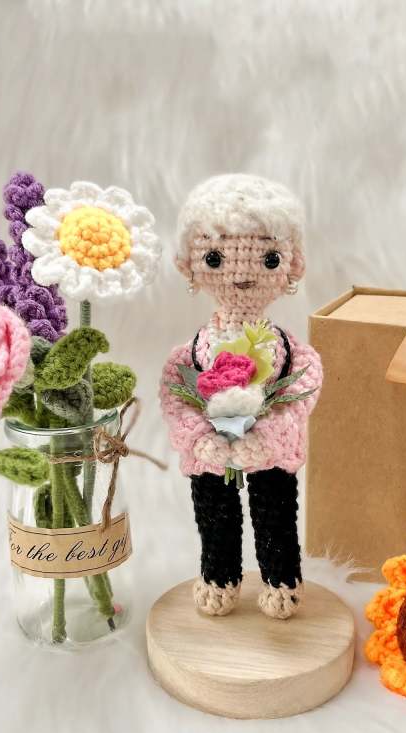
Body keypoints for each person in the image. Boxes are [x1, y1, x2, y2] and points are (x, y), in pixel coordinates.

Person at [160, 174, 323, 619]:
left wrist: (267, 437)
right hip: (211, 455)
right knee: (215, 516)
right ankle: (219, 577)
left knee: (276, 515)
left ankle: (282, 580)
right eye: (215, 258)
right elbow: (177, 397)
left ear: (293, 266)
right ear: (188, 265)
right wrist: (200, 438)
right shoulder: (193, 350)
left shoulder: (289, 349)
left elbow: (301, 391)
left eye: (269, 258)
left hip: (272, 453)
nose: (243, 274)